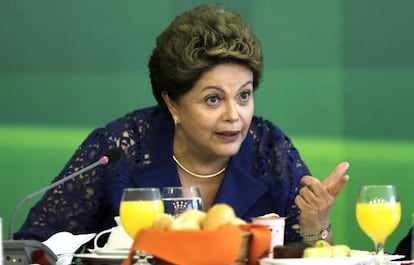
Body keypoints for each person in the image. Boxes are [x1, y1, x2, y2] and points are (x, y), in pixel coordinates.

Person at [14, 3, 349, 247]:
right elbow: (34, 247)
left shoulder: (269, 149)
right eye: (213, 99)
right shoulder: (119, 147)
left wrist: (316, 225)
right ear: (172, 102)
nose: (234, 115)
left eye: (244, 96)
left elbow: (317, 255)